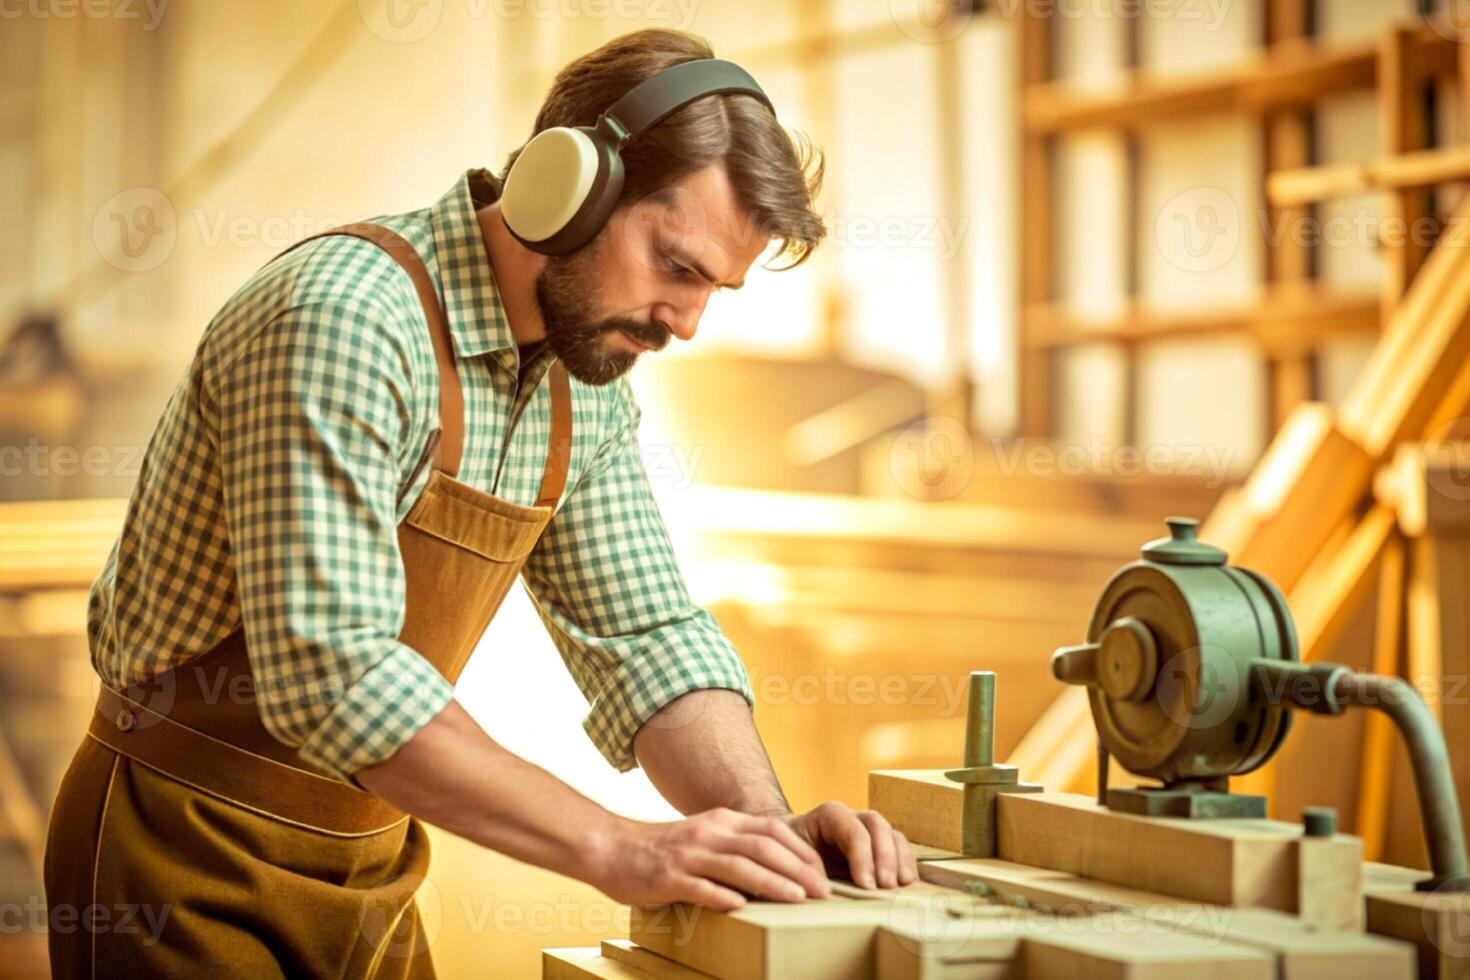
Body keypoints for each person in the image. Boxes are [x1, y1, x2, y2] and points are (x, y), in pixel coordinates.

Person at [44, 28, 917, 979]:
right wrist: (620, 848)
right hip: (180, 845)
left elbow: (648, 636)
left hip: (367, 867)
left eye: (716, 288)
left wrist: (767, 834)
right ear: (566, 186)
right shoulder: (343, 319)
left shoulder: (584, 384)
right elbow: (333, 675)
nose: (688, 323)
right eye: (677, 267)